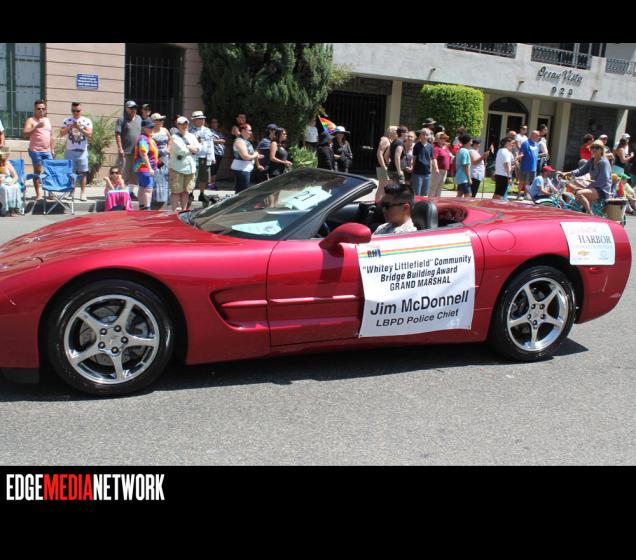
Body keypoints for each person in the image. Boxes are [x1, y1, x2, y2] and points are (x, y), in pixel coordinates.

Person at [567, 140, 612, 214]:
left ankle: (590, 213)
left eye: (597, 147)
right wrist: (568, 174)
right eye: (592, 147)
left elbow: (603, 180)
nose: (594, 149)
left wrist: (589, 187)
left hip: (602, 189)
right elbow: (581, 171)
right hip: (594, 187)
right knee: (576, 201)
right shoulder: (591, 161)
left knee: (580, 193)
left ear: (601, 150)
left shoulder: (604, 162)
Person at [23, 99, 55, 201]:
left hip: (47, 150)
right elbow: (25, 133)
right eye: (38, 109)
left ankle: (50, 192)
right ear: (35, 109)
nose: (41, 110)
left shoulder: (47, 120)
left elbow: (51, 136)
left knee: (50, 170)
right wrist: (36, 126)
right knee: (38, 171)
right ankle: (38, 194)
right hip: (35, 150)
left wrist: (52, 149)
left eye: (43, 108)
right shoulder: (31, 120)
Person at [60, 102, 92, 201]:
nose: (75, 113)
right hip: (70, 150)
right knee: (70, 172)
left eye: (77, 111)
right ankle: (70, 191)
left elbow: (89, 134)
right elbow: (61, 133)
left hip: (82, 151)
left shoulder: (86, 121)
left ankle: (83, 193)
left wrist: (79, 128)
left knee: (83, 173)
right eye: (73, 111)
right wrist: (70, 127)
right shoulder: (67, 120)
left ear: (81, 111)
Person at [169, 116, 201, 211]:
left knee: (186, 192)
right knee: (176, 192)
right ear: (178, 125)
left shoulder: (192, 136)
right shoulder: (174, 137)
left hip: (190, 168)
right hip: (177, 168)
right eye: (182, 124)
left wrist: (190, 147)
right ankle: (173, 212)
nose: (184, 126)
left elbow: (199, 148)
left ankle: (184, 211)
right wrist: (192, 148)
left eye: (186, 123)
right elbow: (181, 151)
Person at [115, 100, 142, 199]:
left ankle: (130, 193)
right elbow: (117, 134)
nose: (133, 110)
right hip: (125, 151)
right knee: (123, 172)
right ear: (126, 109)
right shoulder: (122, 119)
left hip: (137, 152)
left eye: (135, 108)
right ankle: (120, 193)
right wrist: (120, 148)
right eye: (131, 108)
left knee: (134, 174)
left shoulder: (139, 118)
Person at [189, 111, 215, 204]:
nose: (202, 120)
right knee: (193, 177)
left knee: (204, 177)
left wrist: (212, 157)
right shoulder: (190, 131)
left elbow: (211, 144)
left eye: (203, 119)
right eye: (200, 119)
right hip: (194, 157)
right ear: (194, 120)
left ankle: (202, 194)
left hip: (205, 157)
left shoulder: (208, 130)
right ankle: (190, 194)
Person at [133, 119, 159, 210]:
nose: (152, 129)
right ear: (143, 128)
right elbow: (143, 154)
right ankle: (147, 209)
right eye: (150, 127)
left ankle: (142, 208)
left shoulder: (147, 137)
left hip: (143, 168)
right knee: (148, 188)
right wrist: (150, 168)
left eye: (152, 127)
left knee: (142, 187)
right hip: (144, 167)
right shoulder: (143, 139)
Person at [231, 123, 263, 193]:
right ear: (243, 130)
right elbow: (245, 156)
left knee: (242, 192)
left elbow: (249, 154)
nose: (251, 132)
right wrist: (255, 154)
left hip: (245, 168)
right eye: (249, 130)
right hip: (241, 169)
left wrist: (256, 155)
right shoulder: (239, 141)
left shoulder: (245, 141)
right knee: (242, 192)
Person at [150, 113, 171, 207]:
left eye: (162, 120)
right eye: (159, 120)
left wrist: (168, 150)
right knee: (156, 176)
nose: (162, 122)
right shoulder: (150, 131)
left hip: (165, 157)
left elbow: (170, 139)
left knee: (165, 176)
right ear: (153, 122)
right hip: (154, 157)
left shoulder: (165, 130)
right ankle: (155, 198)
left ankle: (165, 197)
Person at [375, 125, 397, 202]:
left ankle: (380, 203)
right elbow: (379, 153)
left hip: (386, 166)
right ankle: (378, 203)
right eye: (395, 131)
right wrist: (383, 166)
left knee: (384, 186)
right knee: (383, 187)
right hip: (383, 166)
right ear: (391, 132)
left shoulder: (390, 141)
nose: (397, 132)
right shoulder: (385, 140)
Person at [0, 149, 23, 217]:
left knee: (15, 187)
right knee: (4, 188)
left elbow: (15, 176)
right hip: (1, 182)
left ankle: (14, 209)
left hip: (9, 181)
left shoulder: (8, 164)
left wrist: (12, 182)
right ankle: (5, 209)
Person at [411, 129, 434, 196]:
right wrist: (413, 168)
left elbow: (430, 159)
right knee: (417, 193)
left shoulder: (430, 146)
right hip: (417, 173)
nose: (424, 136)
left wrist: (430, 170)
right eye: (423, 134)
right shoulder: (416, 146)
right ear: (420, 136)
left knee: (424, 193)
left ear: (429, 136)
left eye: (426, 135)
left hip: (427, 173)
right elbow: (414, 158)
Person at [518, 130, 540, 196]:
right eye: (537, 136)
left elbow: (535, 154)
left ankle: (525, 194)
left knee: (529, 181)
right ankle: (519, 194)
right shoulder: (525, 143)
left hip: (533, 167)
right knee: (522, 181)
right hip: (525, 166)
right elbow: (521, 154)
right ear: (533, 135)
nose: (539, 137)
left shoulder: (536, 144)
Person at [430, 132, 451, 198]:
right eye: (442, 138)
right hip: (438, 170)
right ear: (437, 139)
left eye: (444, 138)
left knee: (440, 186)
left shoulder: (446, 147)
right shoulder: (435, 148)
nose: (443, 140)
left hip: (445, 170)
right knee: (434, 187)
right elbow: (434, 158)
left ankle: (437, 201)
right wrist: (436, 168)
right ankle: (431, 201)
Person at [209, 118, 226, 190]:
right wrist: (219, 141)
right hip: (213, 153)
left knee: (215, 169)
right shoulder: (209, 131)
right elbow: (210, 140)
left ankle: (213, 183)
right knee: (212, 169)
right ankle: (210, 184)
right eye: (213, 122)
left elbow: (224, 140)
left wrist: (219, 141)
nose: (214, 124)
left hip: (220, 154)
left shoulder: (219, 132)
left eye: (216, 122)